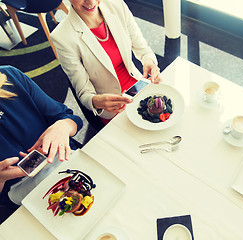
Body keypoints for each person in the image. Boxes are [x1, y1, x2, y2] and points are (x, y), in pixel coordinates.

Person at [51, 0, 161, 124]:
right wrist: (96, 101)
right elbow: (84, 92)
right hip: (112, 105)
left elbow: (143, 49)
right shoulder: (62, 36)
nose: (91, 2)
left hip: (137, 86)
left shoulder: (117, 5)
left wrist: (149, 61)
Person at [0, 65, 83, 210]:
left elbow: (70, 118)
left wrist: (63, 126)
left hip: (65, 159)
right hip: (24, 195)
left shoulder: (9, 76)